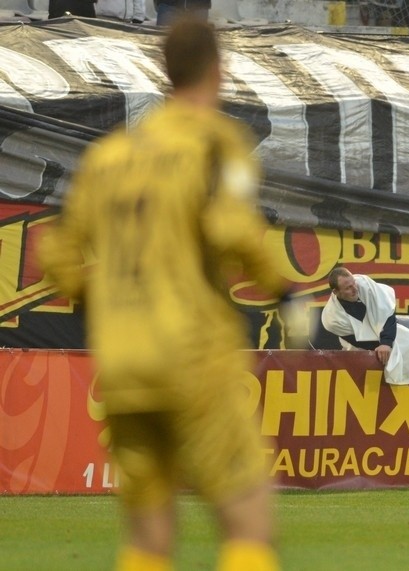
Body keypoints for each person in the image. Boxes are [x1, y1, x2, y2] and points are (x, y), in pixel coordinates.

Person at [37, 18, 286, 571]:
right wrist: (283, 290)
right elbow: (232, 229)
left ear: (165, 72)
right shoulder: (218, 142)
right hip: (191, 352)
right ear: (219, 70)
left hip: (124, 364)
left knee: (149, 532)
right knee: (247, 514)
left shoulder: (109, 158)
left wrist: (97, 295)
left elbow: (56, 256)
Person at [321, 267, 409, 385]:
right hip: (370, 337)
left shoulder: (364, 284)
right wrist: (386, 345)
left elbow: (386, 313)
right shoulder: (331, 319)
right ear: (336, 292)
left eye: (353, 283)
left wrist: (386, 342)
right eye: (348, 288)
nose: (354, 289)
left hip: (388, 323)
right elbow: (360, 341)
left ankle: (406, 325)